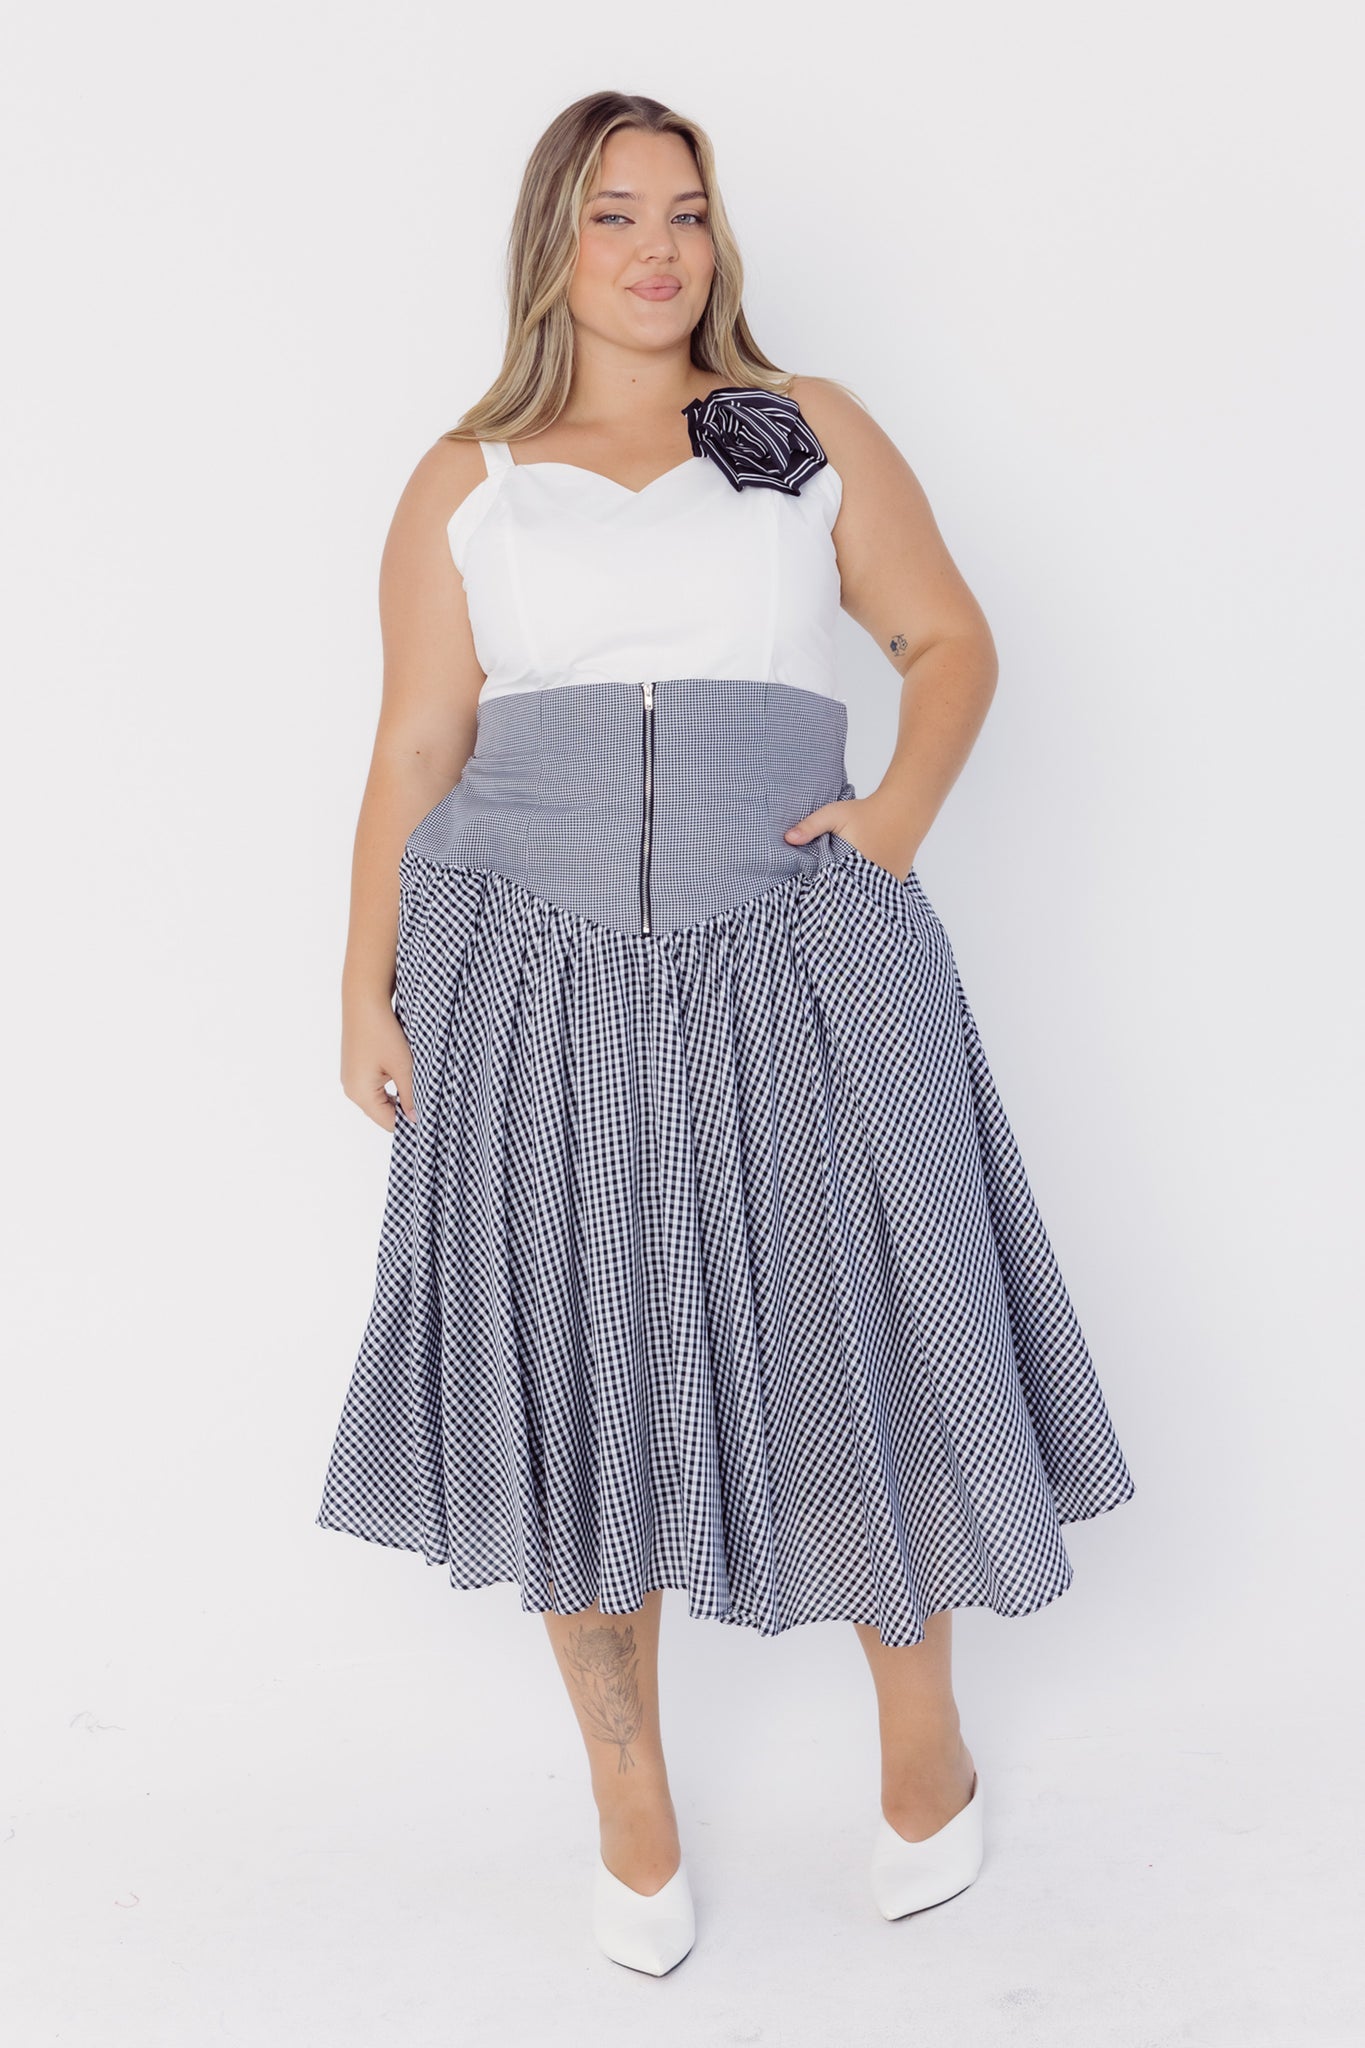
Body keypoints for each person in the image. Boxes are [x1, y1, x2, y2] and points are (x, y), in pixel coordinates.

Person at [314, 90, 1136, 1975]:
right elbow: (417, 741)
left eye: (685, 212)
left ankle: (918, 1734)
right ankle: (626, 1787)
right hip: (523, 960)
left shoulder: (791, 429)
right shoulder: (474, 474)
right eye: (615, 215)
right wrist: (358, 976)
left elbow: (946, 639)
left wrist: (900, 814)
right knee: (570, 1362)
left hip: (798, 934)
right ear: (554, 244)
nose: (659, 248)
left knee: (855, 1318)